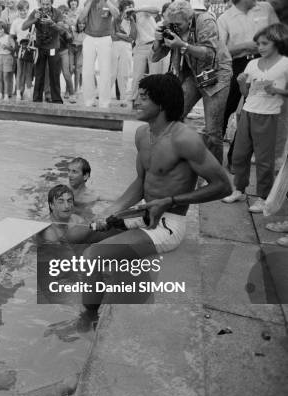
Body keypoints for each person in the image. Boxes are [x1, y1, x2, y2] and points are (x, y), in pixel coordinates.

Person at [66, 74, 231, 310]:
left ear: (161, 103)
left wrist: (171, 200)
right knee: (77, 235)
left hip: (167, 224)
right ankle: (97, 286)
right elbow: (140, 183)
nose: (136, 101)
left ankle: (88, 317)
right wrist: (110, 212)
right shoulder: (142, 134)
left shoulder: (185, 139)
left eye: (143, 97)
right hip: (142, 214)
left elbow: (223, 186)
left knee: (93, 255)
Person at [151, 0, 232, 164]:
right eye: (170, 23)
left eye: (178, 24)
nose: (175, 27)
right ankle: (176, 160)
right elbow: (155, 57)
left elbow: (209, 54)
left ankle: (214, 174)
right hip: (195, 75)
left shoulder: (205, 21)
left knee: (212, 131)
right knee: (172, 116)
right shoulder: (172, 26)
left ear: (189, 19)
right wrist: (158, 40)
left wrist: (183, 45)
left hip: (217, 73)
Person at [222, 24, 288, 213]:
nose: (260, 47)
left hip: (270, 115)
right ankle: (239, 190)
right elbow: (246, 93)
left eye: (264, 43)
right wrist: (242, 83)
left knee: (264, 160)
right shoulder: (252, 63)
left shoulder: (285, 64)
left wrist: (277, 90)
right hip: (248, 111)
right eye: (258, 44)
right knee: (239, 155)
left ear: (277, 42)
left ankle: (263, 196)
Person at [218, 0, 279, 170]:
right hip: (235, 66)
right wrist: (244, 46)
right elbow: (220, 50)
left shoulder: (266, 8)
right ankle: (213, 160)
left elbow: (280, 34)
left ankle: (235, 160)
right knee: (223, 111)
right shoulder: (225, 18)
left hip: (264, 66)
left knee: (251, 113)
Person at [22, 0, 66, 104]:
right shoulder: (36, 12)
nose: (45, 6)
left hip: (53, 47)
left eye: (47, 4)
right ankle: (37, 99)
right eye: (43, 4)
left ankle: (56, 99)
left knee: (54, 74)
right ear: (40, 3)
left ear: (52, 3)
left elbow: (62, 30)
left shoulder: (57, 13)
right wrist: (34, 19)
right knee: (39, 74)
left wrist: (52, 23)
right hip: (40, 47)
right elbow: (23, 27)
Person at [78, 0, 120, 108]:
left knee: (105, 71)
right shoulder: (88, 2)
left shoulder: (112, 2)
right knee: (87, 71)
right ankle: (88, 102)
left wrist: (107, 1)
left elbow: (116, 15)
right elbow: (81, 18)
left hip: (105, 38)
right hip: (89, 38)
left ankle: (104, 103)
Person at [128, 2, 162, 104]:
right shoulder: (126, 19)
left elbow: (156, 9)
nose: (128, 9)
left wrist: (137, 10)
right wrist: (131, 20)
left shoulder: (142, 11)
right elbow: (132, 36)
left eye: (129, 7)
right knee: (137, 76)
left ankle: (155, 101)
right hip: (140, 47)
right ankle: (133, 101)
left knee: (155, 76)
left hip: (154, 45)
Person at [110, 0, 136, 105]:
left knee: (124, 73)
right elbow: (112, 35)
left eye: (131, 7)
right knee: (112, 73)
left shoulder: (132, 20)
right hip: (114, 45)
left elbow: (132, 38)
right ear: (122, 8)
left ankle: (123, 98)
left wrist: (120, 35)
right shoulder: (116, 18)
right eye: (127, 7)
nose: (129, 9)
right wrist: (125, 36)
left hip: (126, 47)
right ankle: (104, 96)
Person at [11, 0, 33, 100]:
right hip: (20, 48)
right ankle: (19, 92)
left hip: (30, 48)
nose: (23, 12)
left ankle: (28, 93)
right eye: (21, 10)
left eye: (25, 10)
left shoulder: (31, 21)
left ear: (28, 10)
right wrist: (14, 47)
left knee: (29, 71)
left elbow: (35, 34)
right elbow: (11, 37)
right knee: (19, 71)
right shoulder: (15, 22)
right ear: (18, 11)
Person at [0, 20, 14, 100]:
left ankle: (6, 94)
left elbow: (13, 49)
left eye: (2, 29)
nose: (0, 30)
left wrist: (7, 47)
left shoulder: (8, 37)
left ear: (4, 29)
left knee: (6, 77)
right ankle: (0, 94)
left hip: (7, 57)